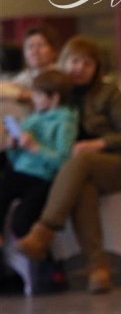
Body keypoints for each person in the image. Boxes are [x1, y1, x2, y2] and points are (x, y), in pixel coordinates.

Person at [16, 36, 121, 293]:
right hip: (80, 172)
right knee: (83, 187)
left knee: (82, 160)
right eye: (75, 61)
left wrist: (98, 143)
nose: (80, 68)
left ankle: (44, 231)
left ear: (96, 68)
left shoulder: (109, 93)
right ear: (64, 62)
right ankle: (98, 269)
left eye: (87, 63)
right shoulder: (59, 96)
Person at [0, 70, 77, 241]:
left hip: (42, 177)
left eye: (38, 95)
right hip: (20, 169)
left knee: (21, 223)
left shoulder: (65, 123)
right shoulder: (34, 118)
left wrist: (35, 147)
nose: (33, 99)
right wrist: (13, 145)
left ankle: (40, 255)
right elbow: (17, 156)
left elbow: (62, 160)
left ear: (54, 98)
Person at [0, 24, 60, 102]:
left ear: (54, 51)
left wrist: (22, 94)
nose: (35, 51)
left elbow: (47, 97)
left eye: (40, 45)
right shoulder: (28, 74)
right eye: (30, 46)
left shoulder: (59, 73)